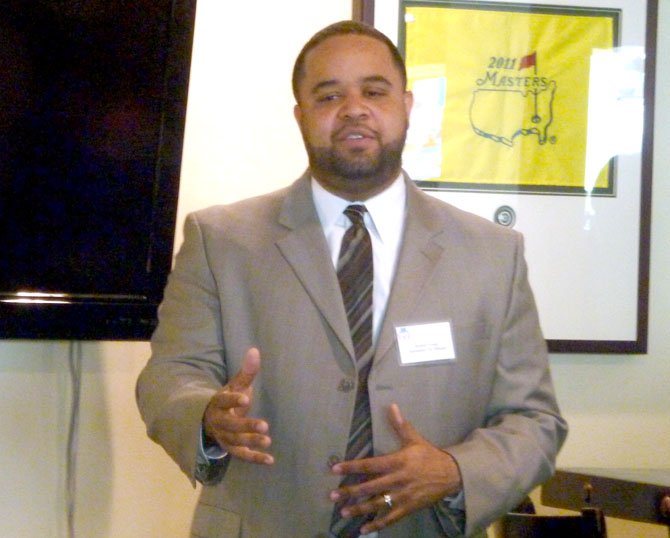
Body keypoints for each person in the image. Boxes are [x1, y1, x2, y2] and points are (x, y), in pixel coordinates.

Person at [136, 20, 568, 538]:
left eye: (374, 91)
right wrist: (207, 416)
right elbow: (168, 377)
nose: (354, 108)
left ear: (406, 106)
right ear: (300, 116)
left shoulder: (493, 253)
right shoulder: (221, 239)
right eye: (328, 95)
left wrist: (456, 471)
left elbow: (535, 421)